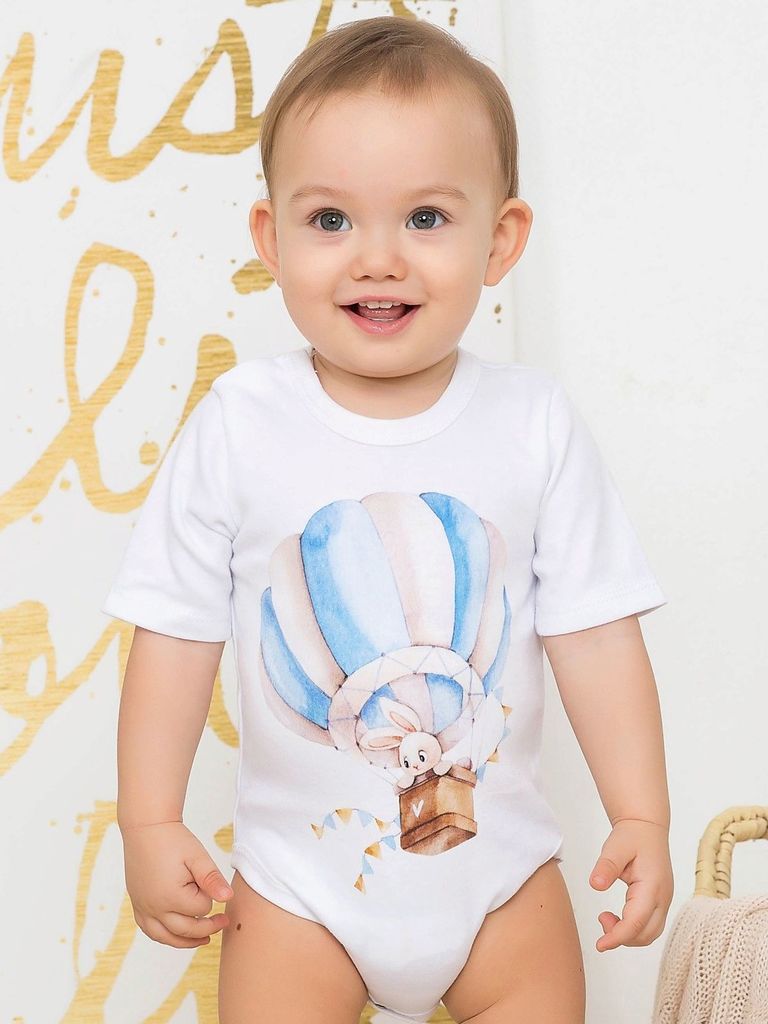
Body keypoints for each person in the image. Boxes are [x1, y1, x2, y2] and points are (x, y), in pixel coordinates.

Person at [103, 15, 674, 1024]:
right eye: (330, 220)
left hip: (502, 885)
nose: (376, 258)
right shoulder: (240, 424)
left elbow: (594, 632)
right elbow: (174, 635)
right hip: (297, 895)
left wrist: (642, 810)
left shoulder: (532, 423)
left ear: (500, 240)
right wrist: (148, 822)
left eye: (425, 218)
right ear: (271, 238)